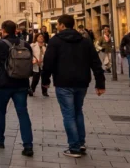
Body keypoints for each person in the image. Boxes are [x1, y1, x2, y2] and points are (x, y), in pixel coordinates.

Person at [42, 15, 106, 158]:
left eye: (58, 24)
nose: (57, 26)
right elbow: (96, 63)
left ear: (62, 25)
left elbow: (48, 63)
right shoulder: (85, 41)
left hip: (63, 82)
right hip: (82, 82)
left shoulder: (55, 41)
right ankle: (80, 142)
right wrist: (100, 83)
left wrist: (45, 81)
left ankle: (74, 147)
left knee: (68, 114)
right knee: (78, 111)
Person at [0, 21, 34, 156]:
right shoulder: (24, 44)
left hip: (3, 84)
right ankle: (28, 146)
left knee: (0, 112)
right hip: (21, 83)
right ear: (15, 30)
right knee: (23, 113)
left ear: (3, 30)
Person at [29, 32, 48, 97]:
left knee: (44, 78)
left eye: (42, 37)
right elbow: (30, 54)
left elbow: (48, 55)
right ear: (36, 38)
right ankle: (32, 90)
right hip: (36, 63)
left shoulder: (45, 45)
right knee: (35, 78)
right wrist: (33, 59)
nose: (41, 38)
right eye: (39, 37)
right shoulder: (32, 45)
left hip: (43, 64)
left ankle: (44, 91)